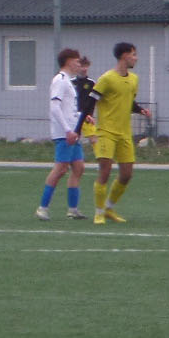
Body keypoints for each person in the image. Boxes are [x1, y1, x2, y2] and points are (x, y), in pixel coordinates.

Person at [91, 42, 150, 225]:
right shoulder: (107, 78)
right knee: (105, 171)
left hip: (124, 133)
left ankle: (109, 208)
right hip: (106, 132)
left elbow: (128, 101)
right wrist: (86, 121)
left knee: (126, 174)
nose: (136, 58)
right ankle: (99, 212)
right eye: (133, 54)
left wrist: (140, 110)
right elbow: (91, 100)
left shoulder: (134, 79)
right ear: (124, 56)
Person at [38, 48, 88, 220]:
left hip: (73, 133)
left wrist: (82, 117)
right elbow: (55, 107)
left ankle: (72, 209)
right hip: (65, 133)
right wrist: (67, 130)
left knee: (79, 167)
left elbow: (68, 108)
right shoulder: (59, 80)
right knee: (60, 169)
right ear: (68, 61)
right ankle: (42, 208)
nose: (79, 64)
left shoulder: (68, 81)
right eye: (77, 61)